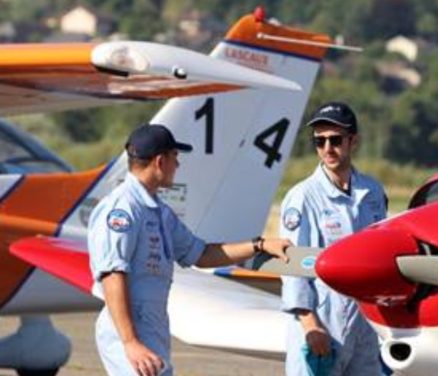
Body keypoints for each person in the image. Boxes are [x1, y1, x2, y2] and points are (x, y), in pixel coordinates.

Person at [87, 124, 290, 376]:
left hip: (151, 327)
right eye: (175, 157)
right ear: (160, 161)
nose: (178, 165)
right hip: (129, 331)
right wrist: (130, 343)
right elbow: (113, 275)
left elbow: (201, 255)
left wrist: (259, 245)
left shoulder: (160, 212)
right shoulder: (122, 210)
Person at [280, 102, 388, 375]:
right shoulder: (303, 197)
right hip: (324, 321)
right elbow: (292, 266)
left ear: (353, 141)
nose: (327, 148)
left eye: (335, 140)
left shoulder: (373, 192)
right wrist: (310, 325)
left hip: (365, 324)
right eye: (319, 141)